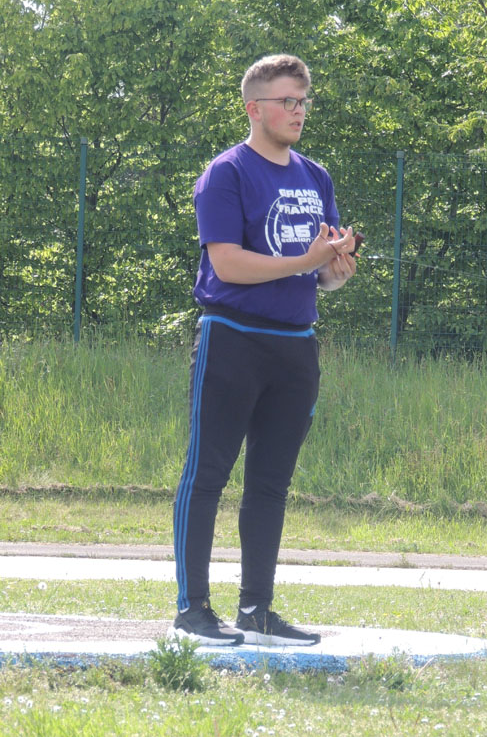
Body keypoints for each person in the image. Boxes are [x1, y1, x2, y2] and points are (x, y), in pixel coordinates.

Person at [169, 54, 357, 647]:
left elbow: (322, 273)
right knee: (207, 474)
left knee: (271, 484)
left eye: (304, 101)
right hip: (232, 339)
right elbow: (226, 263)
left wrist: (335, 271)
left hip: (295, 346)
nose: (299, 111)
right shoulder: (225, 173)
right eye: (287, 101)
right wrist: (304, 261)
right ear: (255, 108)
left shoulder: (316, 176)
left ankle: (256, 610)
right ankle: (192, 610)